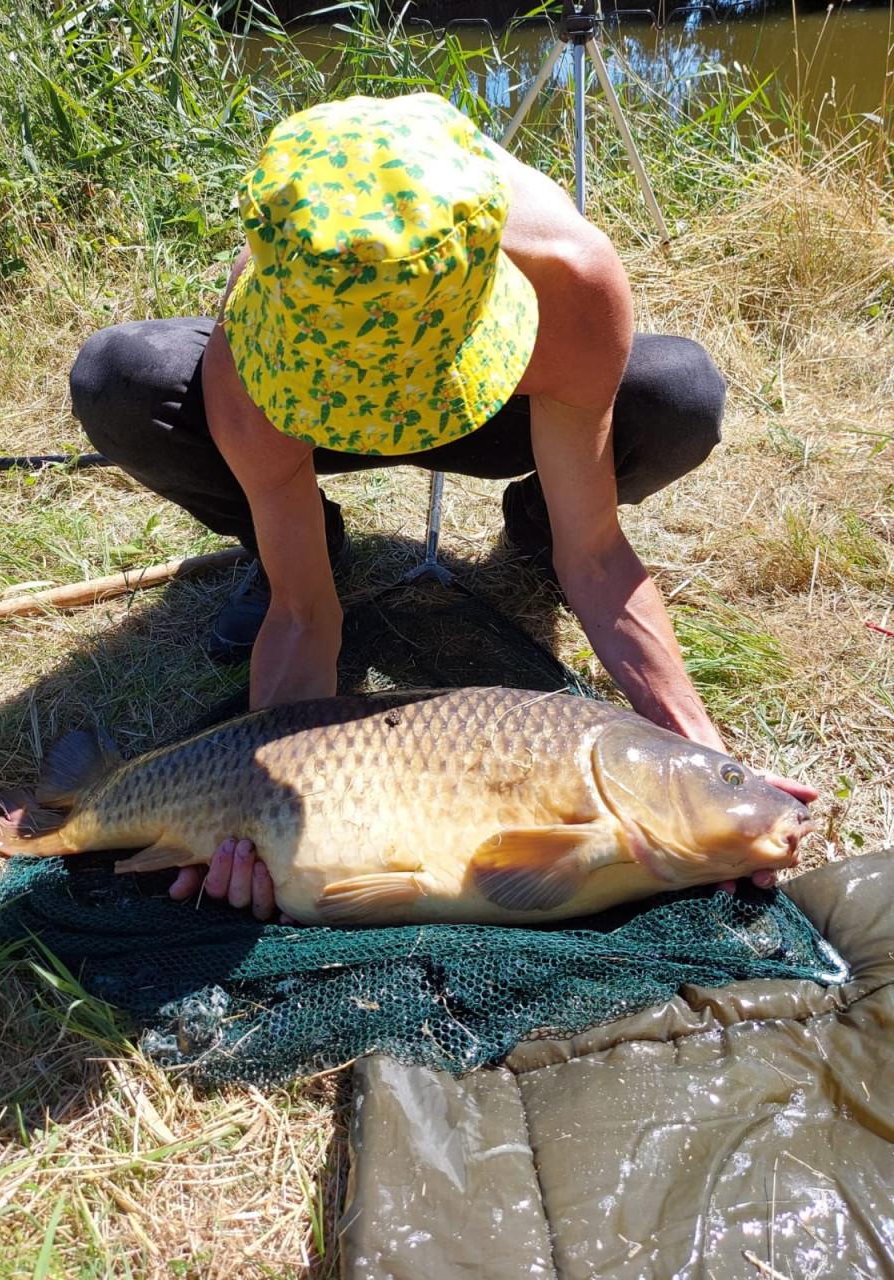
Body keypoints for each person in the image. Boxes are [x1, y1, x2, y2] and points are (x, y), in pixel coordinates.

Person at [70, 92, 816, 918]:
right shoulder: (261, 345)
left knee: (678, 392)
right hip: (303, 411)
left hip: (505, 393)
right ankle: (299, 530)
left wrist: (699, 755)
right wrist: (249, 814)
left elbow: (600, 559)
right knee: (119, 376)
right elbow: (304, 615)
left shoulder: (568, 275)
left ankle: (544, 522)